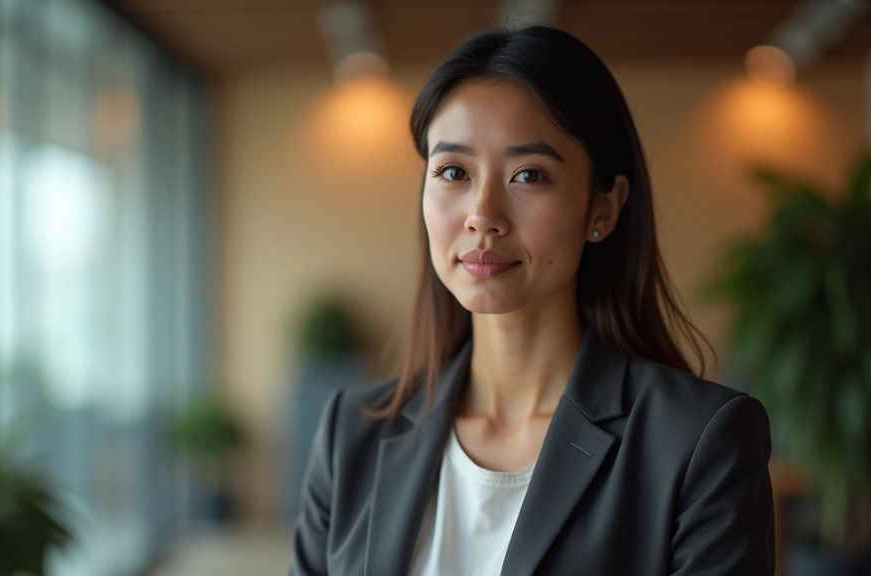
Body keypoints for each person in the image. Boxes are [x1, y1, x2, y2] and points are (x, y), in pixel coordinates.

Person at [290, 25, 775, 576]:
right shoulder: (350, 431)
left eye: (529, 175)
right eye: (453, 171)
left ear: (604, 208)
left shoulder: (698, 441)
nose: (482, 215)